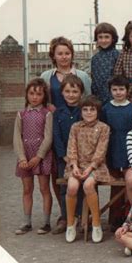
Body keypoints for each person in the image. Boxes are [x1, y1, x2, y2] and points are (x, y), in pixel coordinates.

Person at [64, 95, 110, 243]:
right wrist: (75, 165)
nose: (89, 112)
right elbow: (72, 147)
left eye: (92, 109)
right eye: (85, 109)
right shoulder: (75, 127)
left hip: (95, 166)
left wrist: (90, 168)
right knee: (72, 186)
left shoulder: (103, 128)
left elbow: (101, 151)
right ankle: (71, 223)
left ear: (97, 111)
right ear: (81, 111)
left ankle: (96, 223)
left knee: (88, 185)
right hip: (77, 164)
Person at [13, 78, 53, 235]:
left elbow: (48, 137)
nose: (35, 97)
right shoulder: (21, 114)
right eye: (31, 93)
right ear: (26, 95)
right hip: (25, 156)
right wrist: (22, 158)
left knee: (44, 188)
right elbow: (17, 137)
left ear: (44, 96)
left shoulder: (47, 114)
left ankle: (46, 222)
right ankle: (27, 222)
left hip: (41, 156)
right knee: (27, 189)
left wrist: (39, 156)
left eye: (38, 94)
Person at [51, 74, 85, 234]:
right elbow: (56, 136)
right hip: (64, 158)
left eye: (75, 91)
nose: (71, 94)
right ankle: (67, 217)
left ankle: (84, 216)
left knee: (83, 187)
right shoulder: (58, 113)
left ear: (81, 93)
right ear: (62, 93)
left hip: (83, 158)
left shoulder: (85, 111)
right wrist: (64, 156)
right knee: (65, 187)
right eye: (67, 91)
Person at [100, 77, 132, 226]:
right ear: (110, 91)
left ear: (127, 90)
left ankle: (129, 217)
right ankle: (114, 219)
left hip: (129, 147)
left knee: (130, 183)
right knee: (115, 184)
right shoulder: (105, 108)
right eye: (115, 89)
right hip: (112, 147)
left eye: (121, 89)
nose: (118, 92)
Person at [40, 36, 91, 110]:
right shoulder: (45, 76)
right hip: (54, 118)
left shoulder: (83, 76)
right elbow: (41, 100)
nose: (64, 57)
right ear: (53, 56)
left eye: (67, 53)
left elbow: (88, 99)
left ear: (72, 55)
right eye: (60, 54)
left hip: (78, 118)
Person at [90, 22, 120, 105]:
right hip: (98, 98)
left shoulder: (117, 56)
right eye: (100, 37)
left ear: (113, 39)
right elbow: (94, 80)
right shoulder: (95, 58)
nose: (103, 40)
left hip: (114, 98)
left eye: (107, 37)